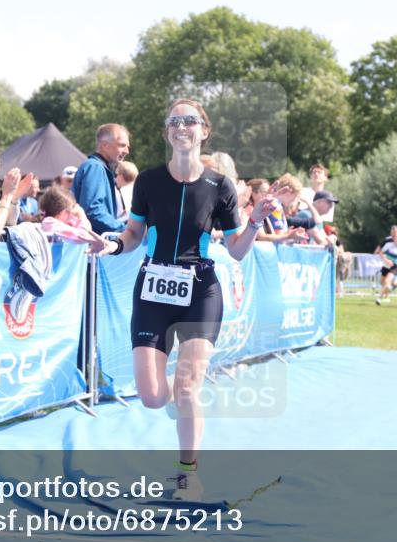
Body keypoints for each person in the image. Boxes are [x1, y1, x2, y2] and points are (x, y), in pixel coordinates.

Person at [96, 99, 284, 501]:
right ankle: (176, 401)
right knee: (151, 397)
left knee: (186, 388)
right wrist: (110, 245)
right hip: (152, 290)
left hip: (200, 291)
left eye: (190, 121)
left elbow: (235, 250)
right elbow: (131, 237)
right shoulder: (147, 181)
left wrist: (254, 223)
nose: (182, 127)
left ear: (204, 131)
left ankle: (187, 474)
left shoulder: (220, 186)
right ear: (167, 132)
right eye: (174, 121)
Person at [72, 124, 130, 234]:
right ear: (105, 146)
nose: (127, 151)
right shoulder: (95, 167)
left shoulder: (98, 168)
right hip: (94, 244)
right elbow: (92, 210)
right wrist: (126, 230)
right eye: (122, 145)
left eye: (128, 147)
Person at [376, 229, 397, 305]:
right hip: (386, 266)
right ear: (394, 239)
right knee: (382, 282)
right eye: (396, 239)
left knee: (387, 281)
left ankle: (380, 298)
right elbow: (381, 253)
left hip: (395, 267)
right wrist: (386, 260)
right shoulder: (388, 245)